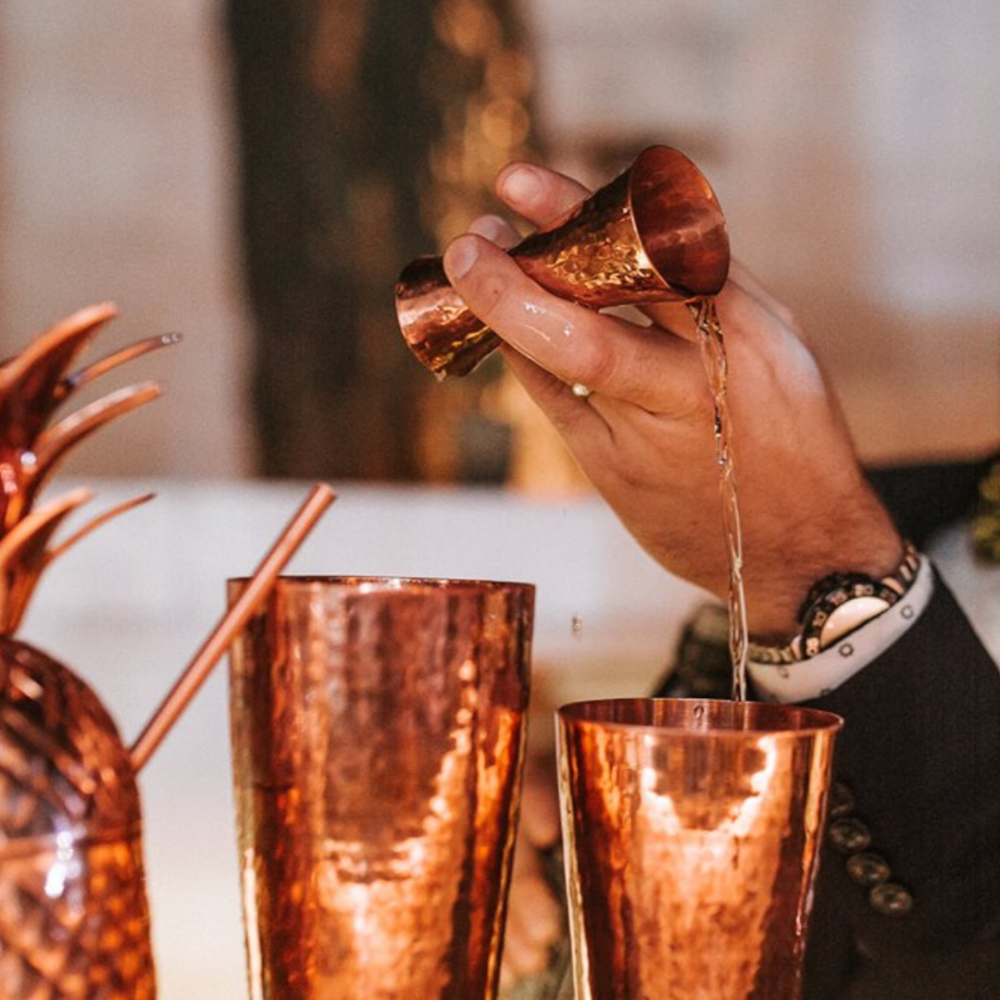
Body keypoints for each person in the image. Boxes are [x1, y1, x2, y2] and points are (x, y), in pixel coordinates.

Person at [440, 160, 1000, 999]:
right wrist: (546, 860)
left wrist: (811, 561)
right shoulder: (909, 504)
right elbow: (714, 921)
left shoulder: (841, 514)